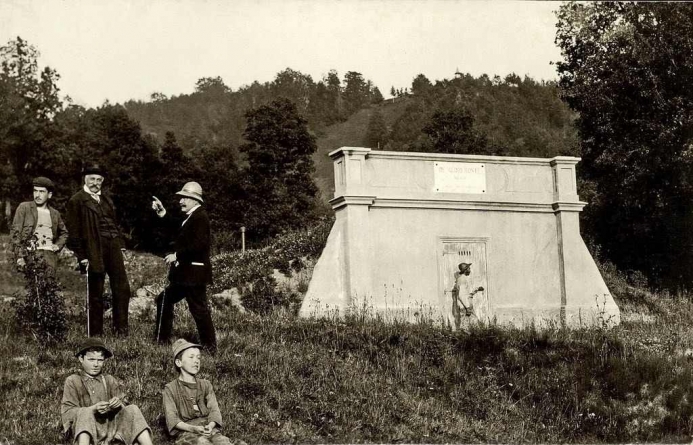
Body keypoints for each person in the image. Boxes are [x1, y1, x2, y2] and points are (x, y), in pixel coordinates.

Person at [66, 164, 132, 337]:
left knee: (122, 287)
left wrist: (121, 244)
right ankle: (96, 334)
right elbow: (73, 232)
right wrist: (81, 256)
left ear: (102, 181)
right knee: (96, 290)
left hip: (113, 246)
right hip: (93, 247)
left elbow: (115, 224)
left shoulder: (107, 200)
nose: (95, 183)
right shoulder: (77, 200)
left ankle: (121, 331)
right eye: (92, 179)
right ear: (85, 179)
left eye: (98, 180)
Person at [151, 182, 216, 351]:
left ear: (196, 200)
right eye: (181, 198)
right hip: (186, 275)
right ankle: (161, 340)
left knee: (199, 309)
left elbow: (199, 245)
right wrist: (162, 212)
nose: (181, 201)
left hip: (194, 273)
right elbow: (176, 227)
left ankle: (210, 347)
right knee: (164, 299)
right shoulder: (191, 216)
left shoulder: (200, 217)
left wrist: (177, 255)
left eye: (185, 198)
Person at [60, 338, 154, 445]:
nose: (96, 364)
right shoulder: (73, 381)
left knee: (133, 409)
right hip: (86, 431)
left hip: (110, 429)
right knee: (84, 413)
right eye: (91, 360)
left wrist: (118, 403)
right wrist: (93, 409)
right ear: (81, 359)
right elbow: (68, 413)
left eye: (100, 360)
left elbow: (124, 405)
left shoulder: (109, 379)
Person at [162, 339, 232, 445]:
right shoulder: (170, 389)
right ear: (178, 362)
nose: (196, 361)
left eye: (198, 357)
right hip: (187, 432)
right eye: (191, 357)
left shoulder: (206, 385)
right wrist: (193, 428)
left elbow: (214, 410)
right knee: (202, 442)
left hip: (209, 429)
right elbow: (172, 418)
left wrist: (210, 426)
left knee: (223, 442)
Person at [10, 176, 68, 271]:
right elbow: (15, 233)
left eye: (41, 192)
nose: (37, 195)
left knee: (49, 279)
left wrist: (58, 245)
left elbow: (64, 233)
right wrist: (20, 256)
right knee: (30, 279)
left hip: (49, 255)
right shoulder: (24, 208)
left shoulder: (55, 214)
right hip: (29, 253)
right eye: (35, 191)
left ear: (49, 195)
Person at [451, 262, 484, 330]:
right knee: (467, 325)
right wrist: (467, 307)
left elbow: (468, 292)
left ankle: (467, 335)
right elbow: (461, 295)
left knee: (471, 324)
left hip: (467, 305)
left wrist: (477, 289)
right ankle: (464, 336)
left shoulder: (463, 278)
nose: (470, 269)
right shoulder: (462, 279)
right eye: (469, 268)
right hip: (465, 306)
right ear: (465, 270)